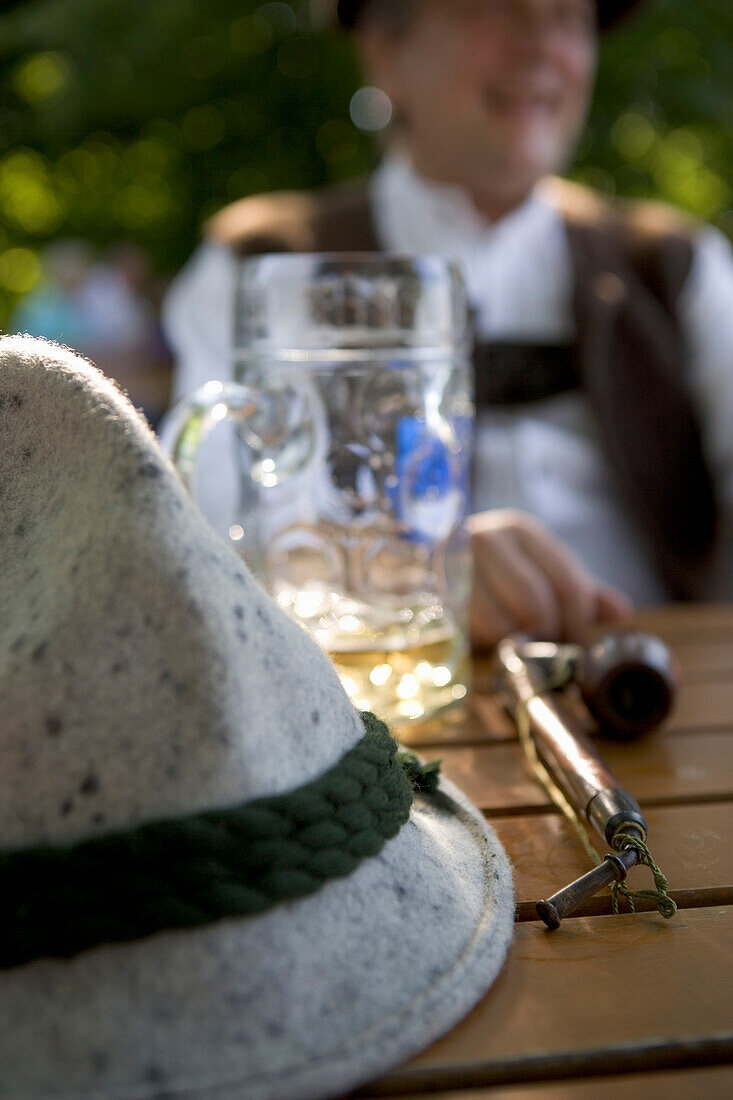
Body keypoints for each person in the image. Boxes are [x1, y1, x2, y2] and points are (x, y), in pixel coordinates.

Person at [163, 0, 733, 644]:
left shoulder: (674, 266)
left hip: (669, 691)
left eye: (568, 17)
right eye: (496, 8)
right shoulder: (264, 264)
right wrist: (427, 573)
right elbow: (211, 518)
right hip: (379, 703)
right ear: (385, 47)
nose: (541, 45)